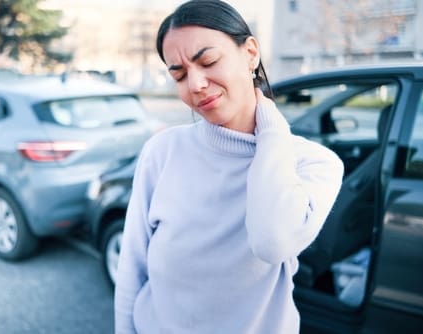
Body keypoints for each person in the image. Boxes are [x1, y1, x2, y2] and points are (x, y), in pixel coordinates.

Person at [115, 0, 344, 333]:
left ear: (251, 53)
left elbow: (272, 241)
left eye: (208, 61)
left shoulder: (314, 164)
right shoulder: (162, 152)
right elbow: (132, 268)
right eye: (179, 75)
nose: (195, 84)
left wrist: (271, 128)